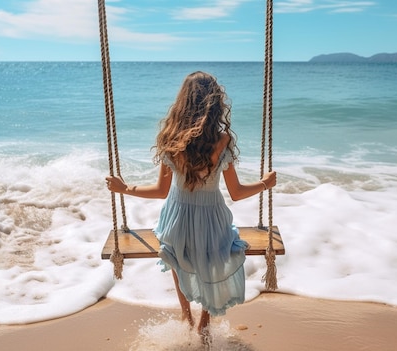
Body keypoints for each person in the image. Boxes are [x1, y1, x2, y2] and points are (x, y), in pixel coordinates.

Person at [105, 71, 276, 341]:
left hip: (178, 219)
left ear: (182, 102)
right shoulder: (223, 141)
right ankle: (204, 322)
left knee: (175, 251)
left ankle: (186, 314)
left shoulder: (171, 139)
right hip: (212, 219)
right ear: (215, 104)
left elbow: (161, 191)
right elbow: (237, 192)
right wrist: (266, 183)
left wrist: (124, 188)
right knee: (214, 254)